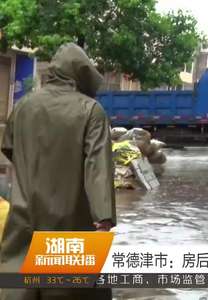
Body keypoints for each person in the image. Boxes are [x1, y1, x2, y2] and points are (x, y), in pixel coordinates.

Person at [0, 43, 116, 300]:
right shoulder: (91, 110)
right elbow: (98, 168)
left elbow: (9, 148)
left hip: (24, 218)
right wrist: (103, 220)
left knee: (19, 286)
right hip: (70, 220)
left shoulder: (23, 106)